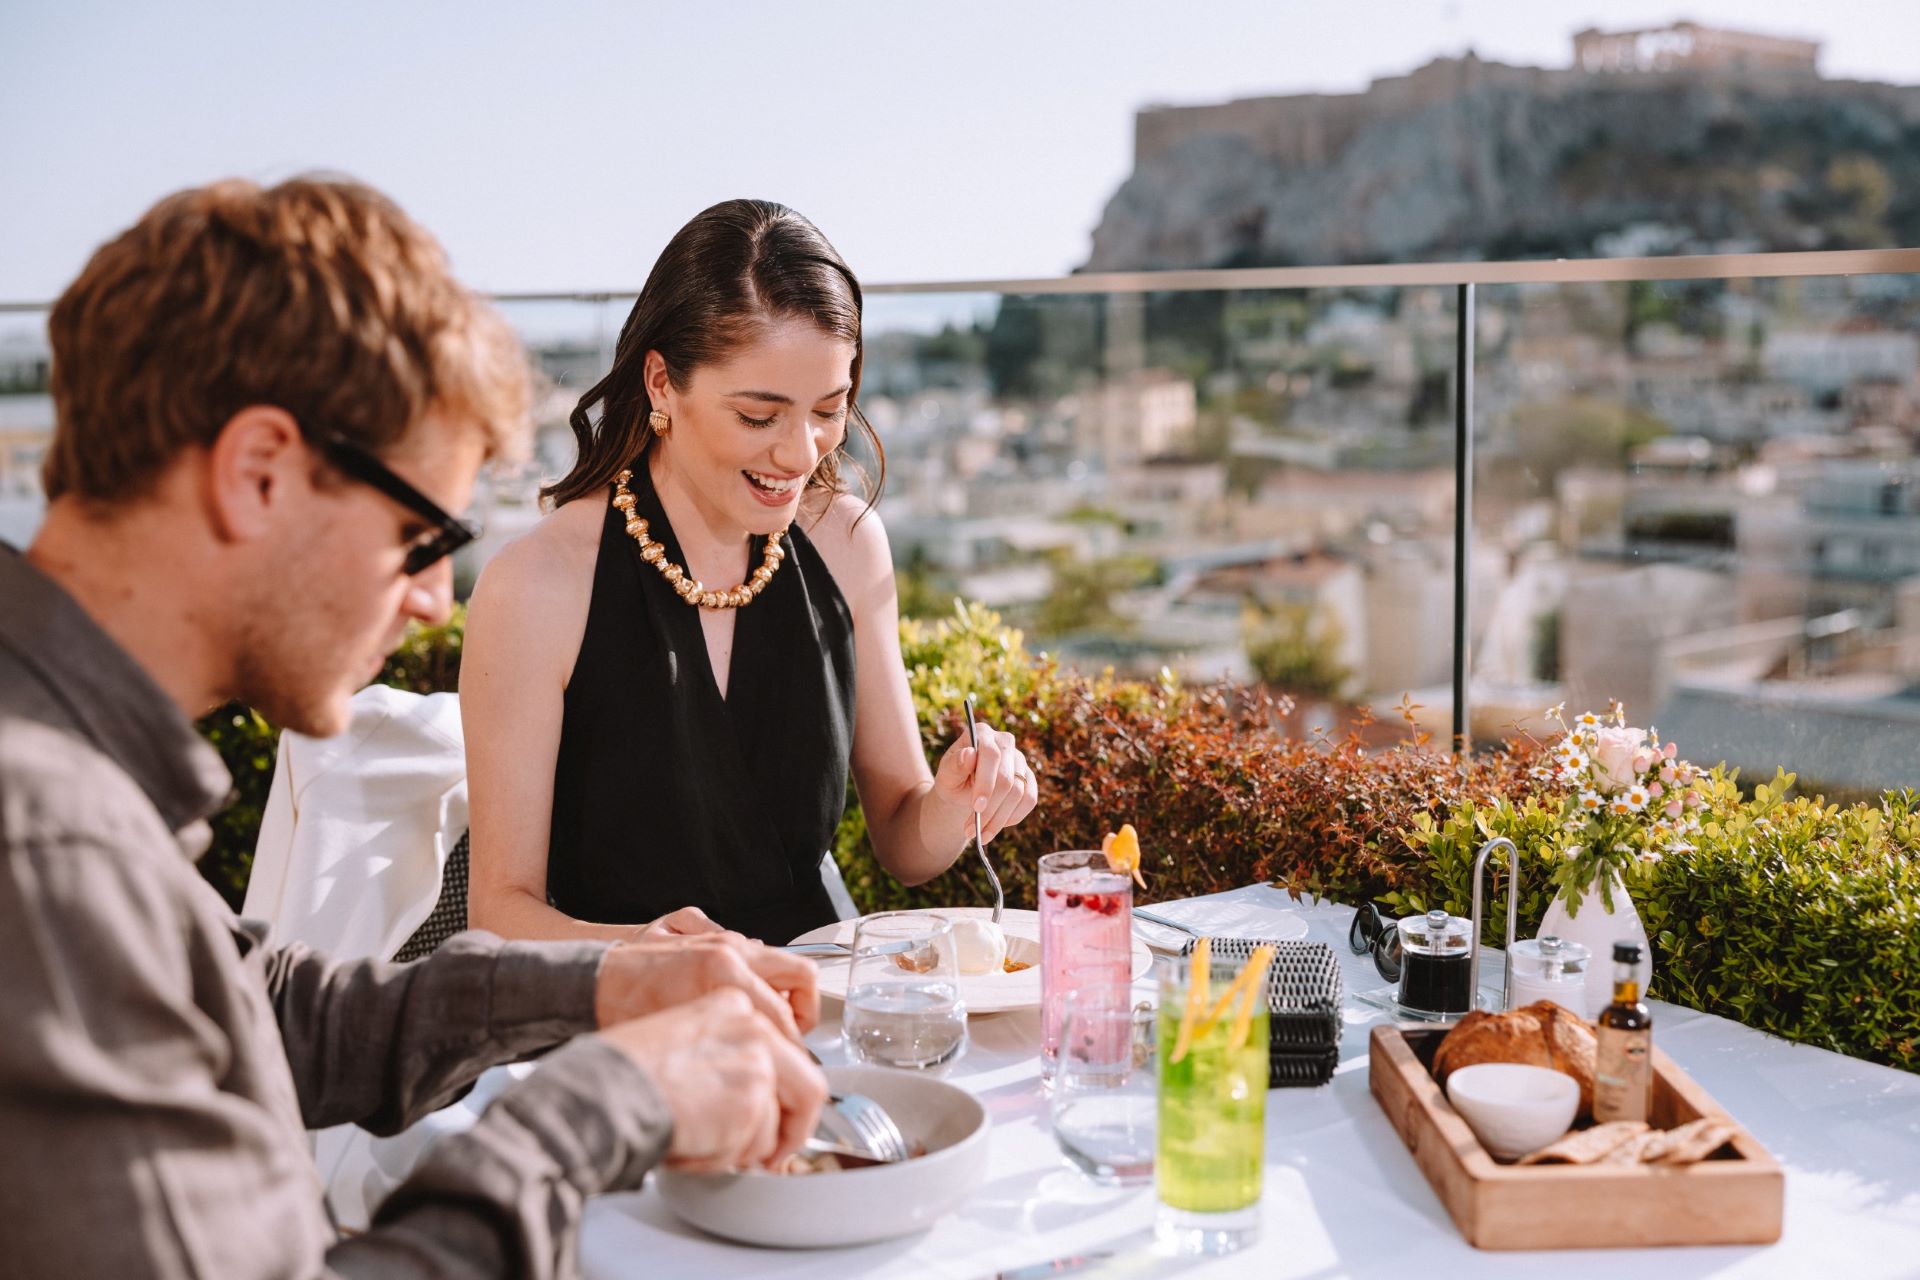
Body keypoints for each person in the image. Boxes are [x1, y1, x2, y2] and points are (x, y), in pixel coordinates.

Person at [0, 177, 827, 1279]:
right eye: (419, 531)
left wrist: (603, 985)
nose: (438, 596)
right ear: (257, 474)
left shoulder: (66, 765)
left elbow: (253, 1003)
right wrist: (605, 1103)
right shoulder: (44, 844)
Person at [461, 199, 1040, 946]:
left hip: (818, 1002)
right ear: (663, 384)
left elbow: (905, 843)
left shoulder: (847, 544)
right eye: (759, 417)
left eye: (828, 409)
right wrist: (669, 958)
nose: (802, 454)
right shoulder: (537, 586)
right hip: (613, 1022)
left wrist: (958, 800)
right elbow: (501, 916)